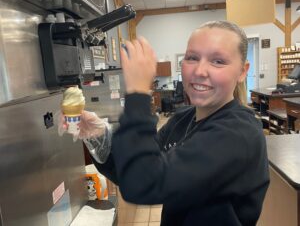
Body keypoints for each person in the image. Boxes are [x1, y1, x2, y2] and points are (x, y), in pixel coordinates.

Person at [67, 20, 270, 225]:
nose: (200, 71)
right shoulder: (183, 119)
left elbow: (144, 185)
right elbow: (135, 172)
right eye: (192, 57)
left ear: (243, 71)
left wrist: (138, 95)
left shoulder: (238, 133)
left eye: (218, 61)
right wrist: (98, 137)